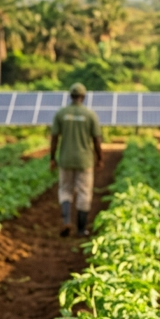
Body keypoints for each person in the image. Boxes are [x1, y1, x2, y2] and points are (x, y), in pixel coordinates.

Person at [49, 83, 103, 237]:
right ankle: (81, 229)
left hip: (65, 159)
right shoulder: (90, 115)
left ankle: (66, 221)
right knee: (84, 193)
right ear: (83, 97)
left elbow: (54, 138)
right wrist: (100, 158)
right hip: (84, 161)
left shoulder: (61, 114)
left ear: (71, 96)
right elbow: (97, 140)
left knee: (65, 190)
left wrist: (52, 158)